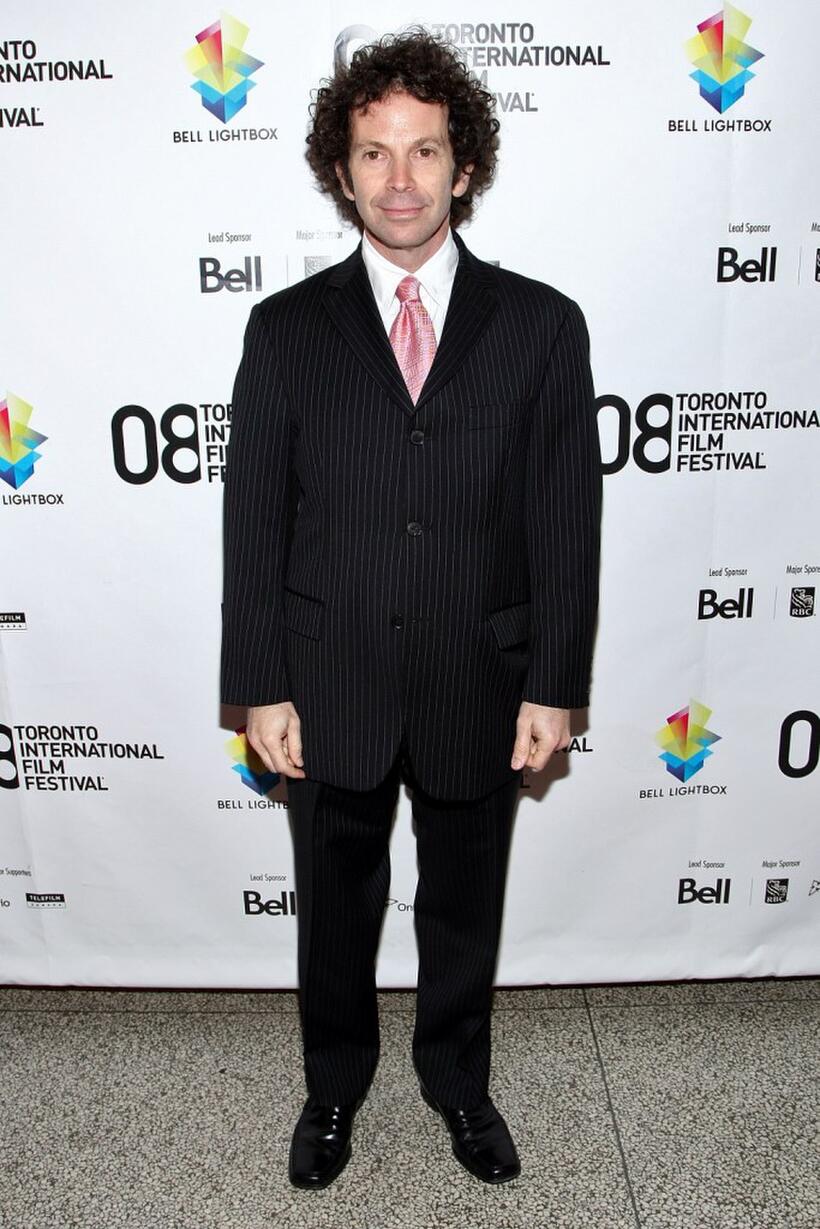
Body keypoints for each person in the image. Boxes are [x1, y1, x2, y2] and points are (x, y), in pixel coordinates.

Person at [220, 29, 601, 1190]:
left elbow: (564, 520)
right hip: (326, 680)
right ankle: (331, 1089)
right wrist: (257, 683)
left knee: (461, 909)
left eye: (423, 151)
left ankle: (457, 1082)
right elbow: (255, 520)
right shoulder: (285, 331)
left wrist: (554, 683)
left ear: (463, 166)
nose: (399, 179)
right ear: (341, 171)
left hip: (480, 679)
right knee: (332, 913)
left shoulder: (541, 325)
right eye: (374, 152)